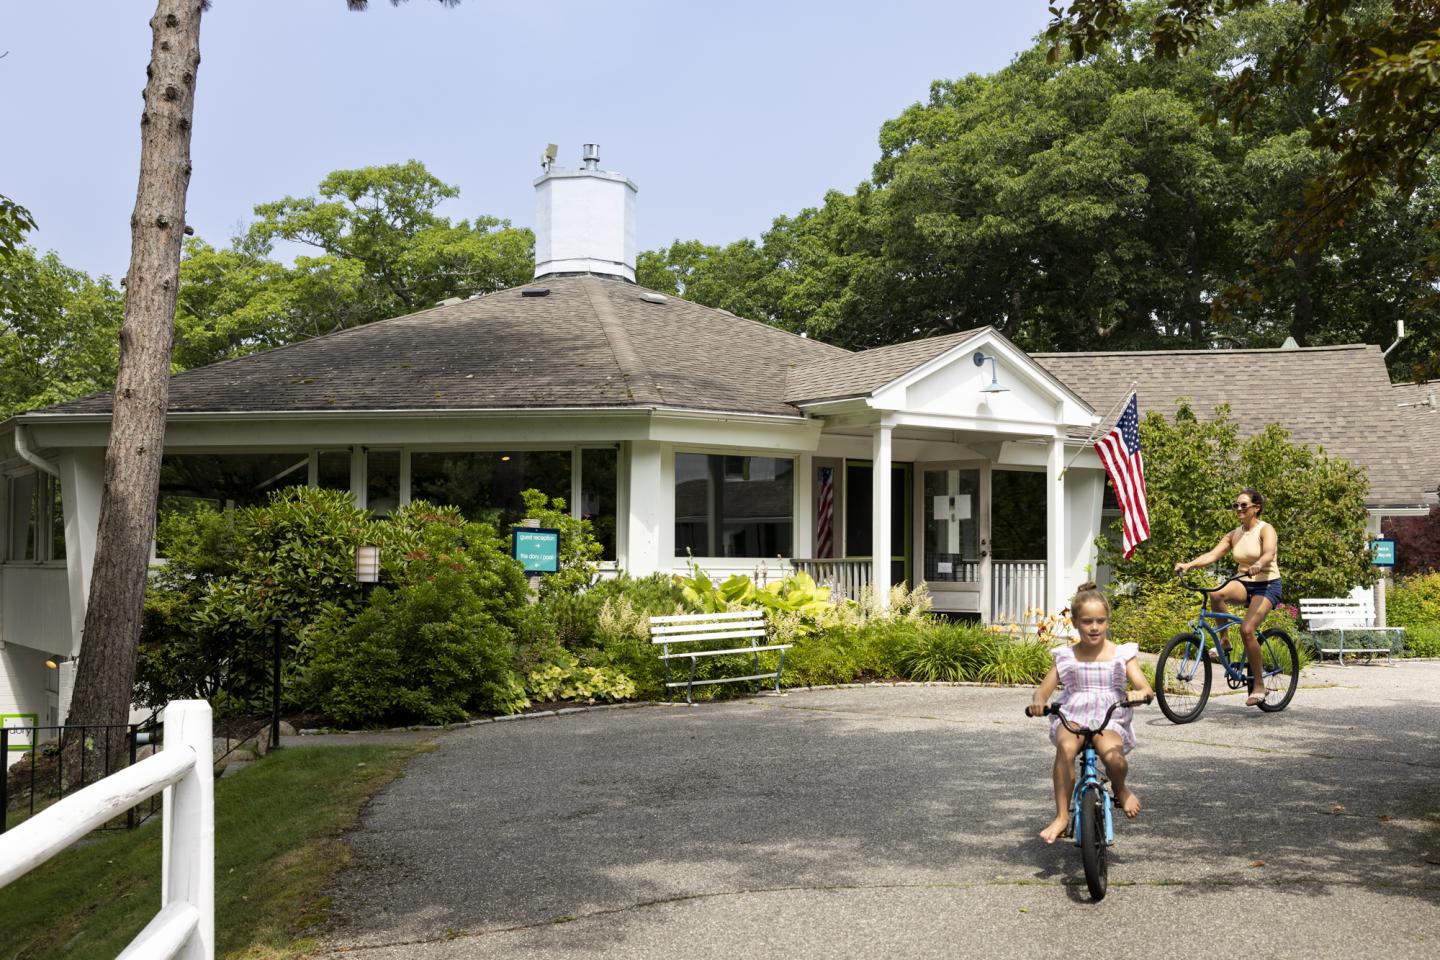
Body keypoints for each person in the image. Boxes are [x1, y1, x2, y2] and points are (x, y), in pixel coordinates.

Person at [1026, 583, 1154, 844]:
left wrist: (1139, 694)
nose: (1094, 627)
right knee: (1065, 748)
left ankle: (1120, 788)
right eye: (1087, 621)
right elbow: (1043, 692)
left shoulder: (1121, 654)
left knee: (1113, 758)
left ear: (1108, 620)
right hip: (1073, 713)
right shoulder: (1066, 656)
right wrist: (1039, 702)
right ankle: (1062, 816)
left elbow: (1144, 687)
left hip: (1109, 715)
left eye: (1100, 621)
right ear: (1074, 622)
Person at [1173, 487, 1281, 707]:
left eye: (1244, 505)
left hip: (1267, 585)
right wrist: (1189, 565)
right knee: (1216, 593)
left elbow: (1269, 552)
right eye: (1236, 505)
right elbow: (1213, 554)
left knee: (1247, 630)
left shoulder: (1265, 529)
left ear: (1256, 508)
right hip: (1245, 583)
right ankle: (1224, 643)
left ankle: (1259, 685)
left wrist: (1259, 564)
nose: (1239, 509)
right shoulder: (1234, 534)